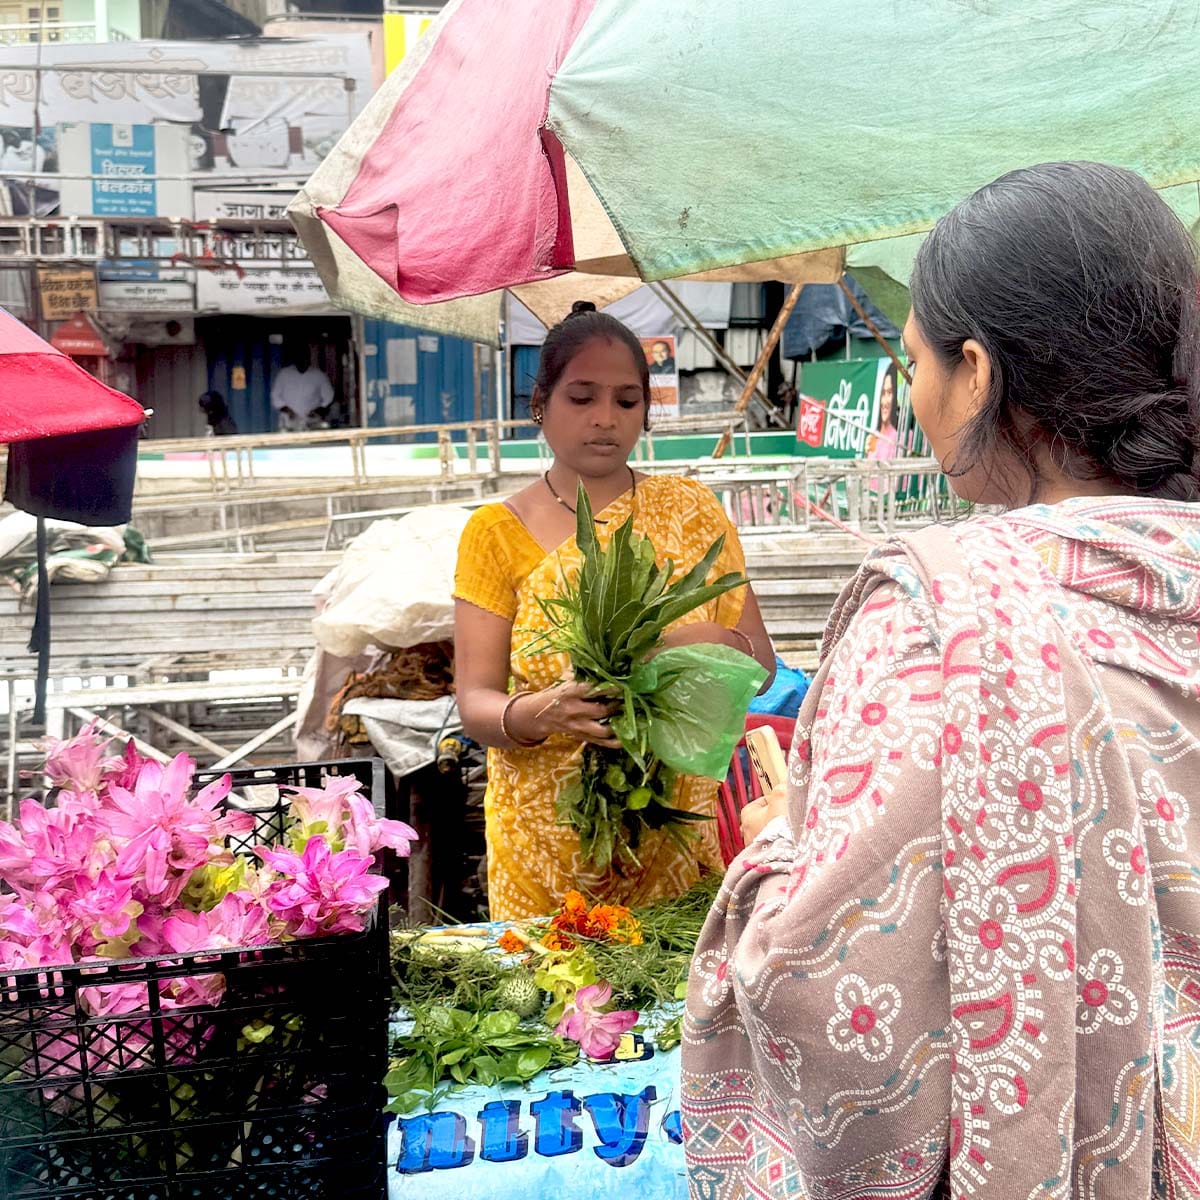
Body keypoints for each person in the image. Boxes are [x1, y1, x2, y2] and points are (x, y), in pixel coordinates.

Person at [683, 162, 1200, 1199]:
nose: (916, 394)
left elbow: (826, 1003)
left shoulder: (946, 621)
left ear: (977, 369)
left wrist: (781, 849)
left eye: (915, 359)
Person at [454, 301, 775, 920]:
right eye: (582, 397)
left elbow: (761, 668)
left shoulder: (691, 512)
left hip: (675, 837)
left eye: (626, 401)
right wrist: (545, 710)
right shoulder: (495, 533)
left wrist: (705, 639)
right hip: (544, 843)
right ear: (539, 404)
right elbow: (475, 703)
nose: (605, 419)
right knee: (553, 1007)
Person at [270, 345, 334, 432]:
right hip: (288, 425)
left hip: (312, 425)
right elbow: (275, 396)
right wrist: (288, 410)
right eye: (299, 356)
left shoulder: (319, 375)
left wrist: (318, 410)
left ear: (309, 357)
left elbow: (329, 397)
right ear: (294, 358)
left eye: (305, 356)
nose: (302, 359)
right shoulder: (284, 374)